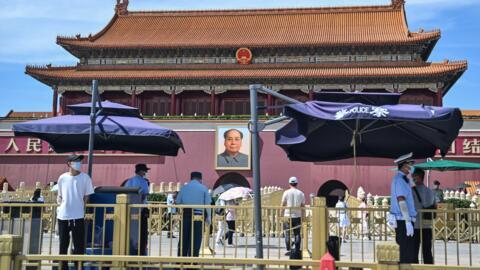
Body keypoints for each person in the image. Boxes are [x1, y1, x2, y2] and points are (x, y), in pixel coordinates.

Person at [56, 154, 94, 270]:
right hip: (63, 215)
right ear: (69, 164)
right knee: (63, 244)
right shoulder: (62, 177)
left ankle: (79, 267)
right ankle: (63, 267)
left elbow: (87, 196)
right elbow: (60, 195)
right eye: (76, 161)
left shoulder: (85, 177)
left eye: (80, 161)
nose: (79, 163)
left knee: (79, 245)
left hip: (78, 215)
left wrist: (80, 206)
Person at [390, 152, 417, 264]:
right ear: (404, 166)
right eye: (410, 165)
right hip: (403, 220)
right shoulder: (400, 180)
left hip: (404, 219)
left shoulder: (403, 179)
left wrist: (410, 179)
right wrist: (407, 221)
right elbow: (401, 200)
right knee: (406, 251)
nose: (411, 167)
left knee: (407, 249)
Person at [176, 172, 211, 257]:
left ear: (191, 178)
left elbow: (177, 202)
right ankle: (193, 262)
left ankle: (181, 261)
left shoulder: (184, 187)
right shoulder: (203, 188)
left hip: (186, 214)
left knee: (183, 238)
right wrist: (209, 217)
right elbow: (207, 204)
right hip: (198, 216)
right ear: (200, 179)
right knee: (196, 239)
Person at [124, 164, 151, 255]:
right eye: (145, 171)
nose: (146, 173)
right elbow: (144, 195)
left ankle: (129, 249)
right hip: (140, 210)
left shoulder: (129, 181)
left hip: (128, 210)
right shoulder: (143, 182)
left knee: (130, 231)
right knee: (142, 232)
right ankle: (141, 251)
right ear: (141, 171)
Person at [411, 168, 435, 264]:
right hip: (427, 225)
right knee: (427, 251)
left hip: (415, 225)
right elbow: (434, 204)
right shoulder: (430, 191)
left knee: (414, 251)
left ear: (419, 177)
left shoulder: (411, 191)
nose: (412, 178)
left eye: (414, 176)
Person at [281, 176, 305, 256]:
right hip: (297, 216)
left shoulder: (286, 192)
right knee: (297, 233)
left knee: (287, 233)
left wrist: (281, 215)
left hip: (287, 215)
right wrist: (303, 217)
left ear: (289, 184)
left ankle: (288, 248)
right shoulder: (301, 193)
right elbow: (303, 207)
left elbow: (283, 204)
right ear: (297, 183)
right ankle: (297, 250)